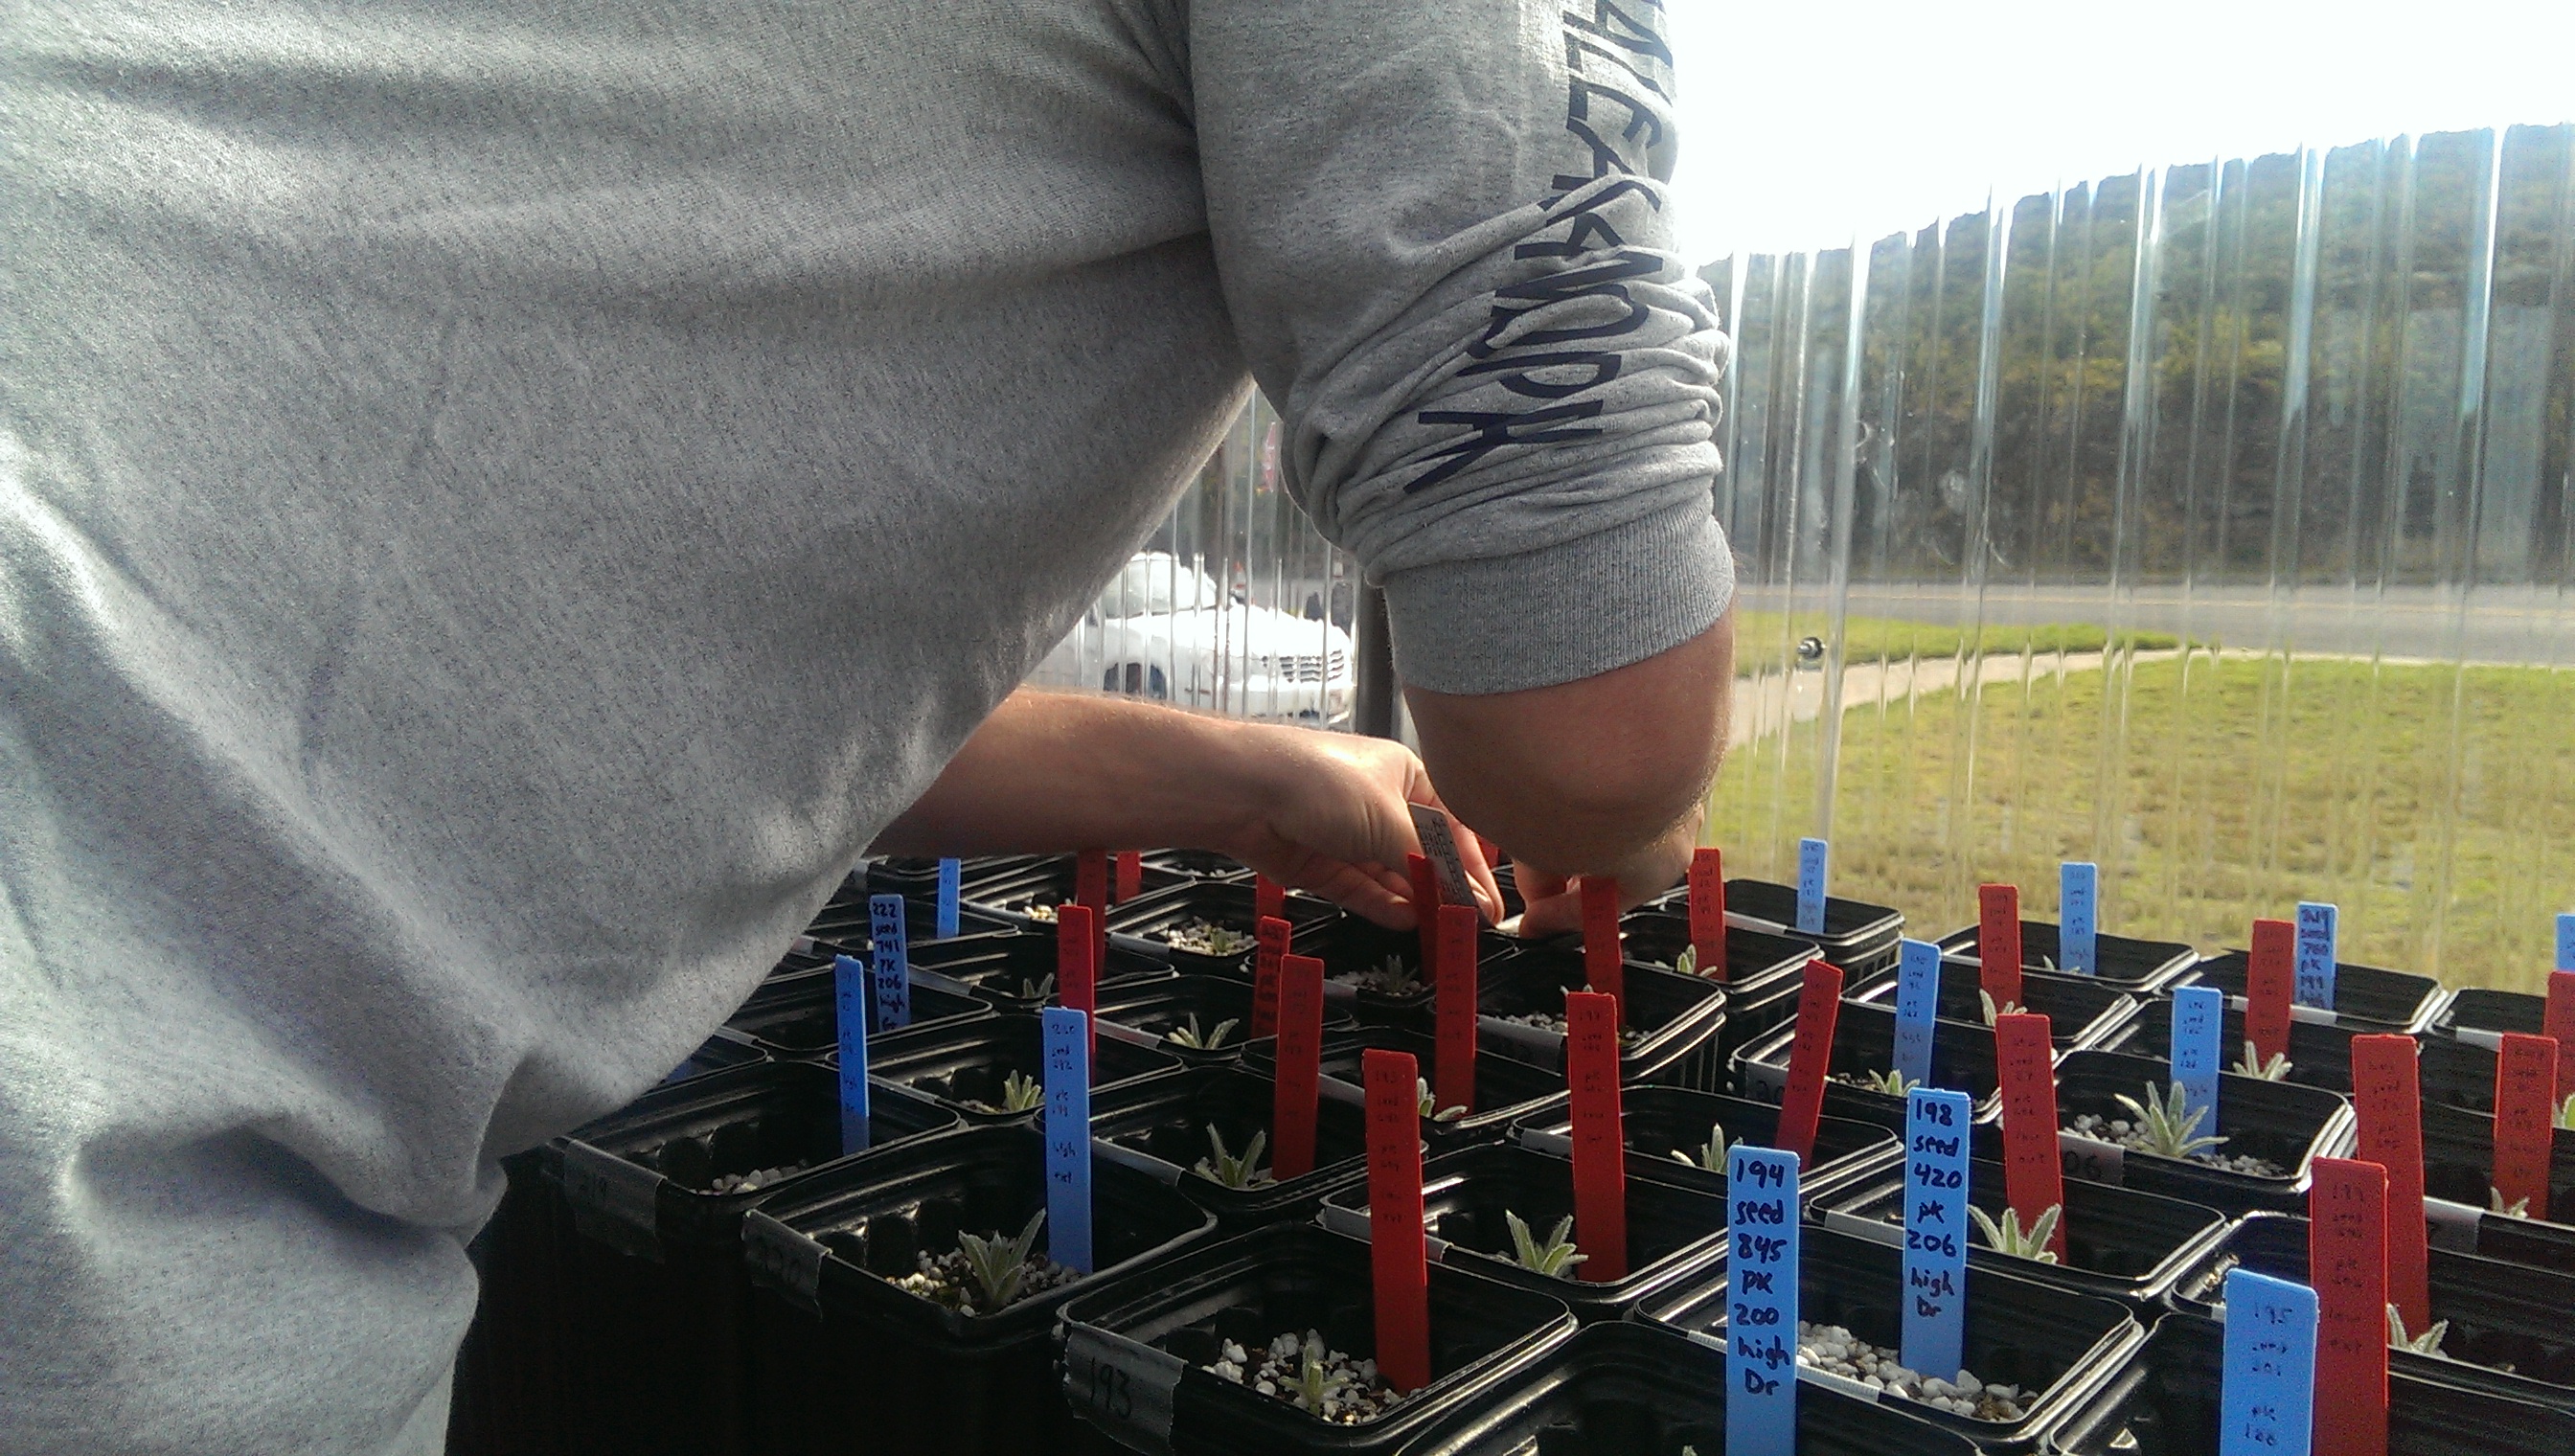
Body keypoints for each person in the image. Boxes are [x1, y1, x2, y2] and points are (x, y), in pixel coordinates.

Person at [0, 1, 1737, 1450]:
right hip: (98, 1104)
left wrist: (1252, 774)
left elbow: (678, 703)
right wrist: (1629, 832)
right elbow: (1592, 733)